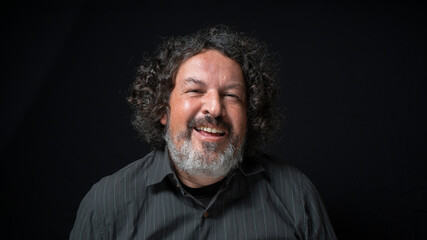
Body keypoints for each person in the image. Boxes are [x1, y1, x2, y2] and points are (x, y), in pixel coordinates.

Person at [70, 25, 337, 239]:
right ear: (163, 109)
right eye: (195, 91)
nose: (215, 108)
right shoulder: (107, 203)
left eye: (231, 95)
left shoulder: (294, 195)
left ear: (250, 116)